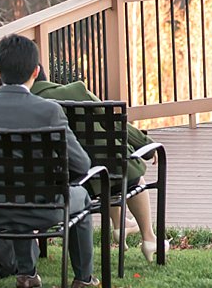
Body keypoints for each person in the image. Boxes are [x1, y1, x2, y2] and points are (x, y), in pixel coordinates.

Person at [0, 35, 101, 288]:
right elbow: (82, 164)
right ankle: (83, 277)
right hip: (44, 208)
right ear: (36, 71)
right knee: (80, 195)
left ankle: (27, 274)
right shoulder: (49, 111)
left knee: (15, 185)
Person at [30, 69, 164, 261]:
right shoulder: (75, 91)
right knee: (125, 171)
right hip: (102, 174)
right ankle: (149, 239)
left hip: (61, 182)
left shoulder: (23, 106)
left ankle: (120, 223)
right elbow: (114, 123)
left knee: (101, 170)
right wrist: (146, 144)